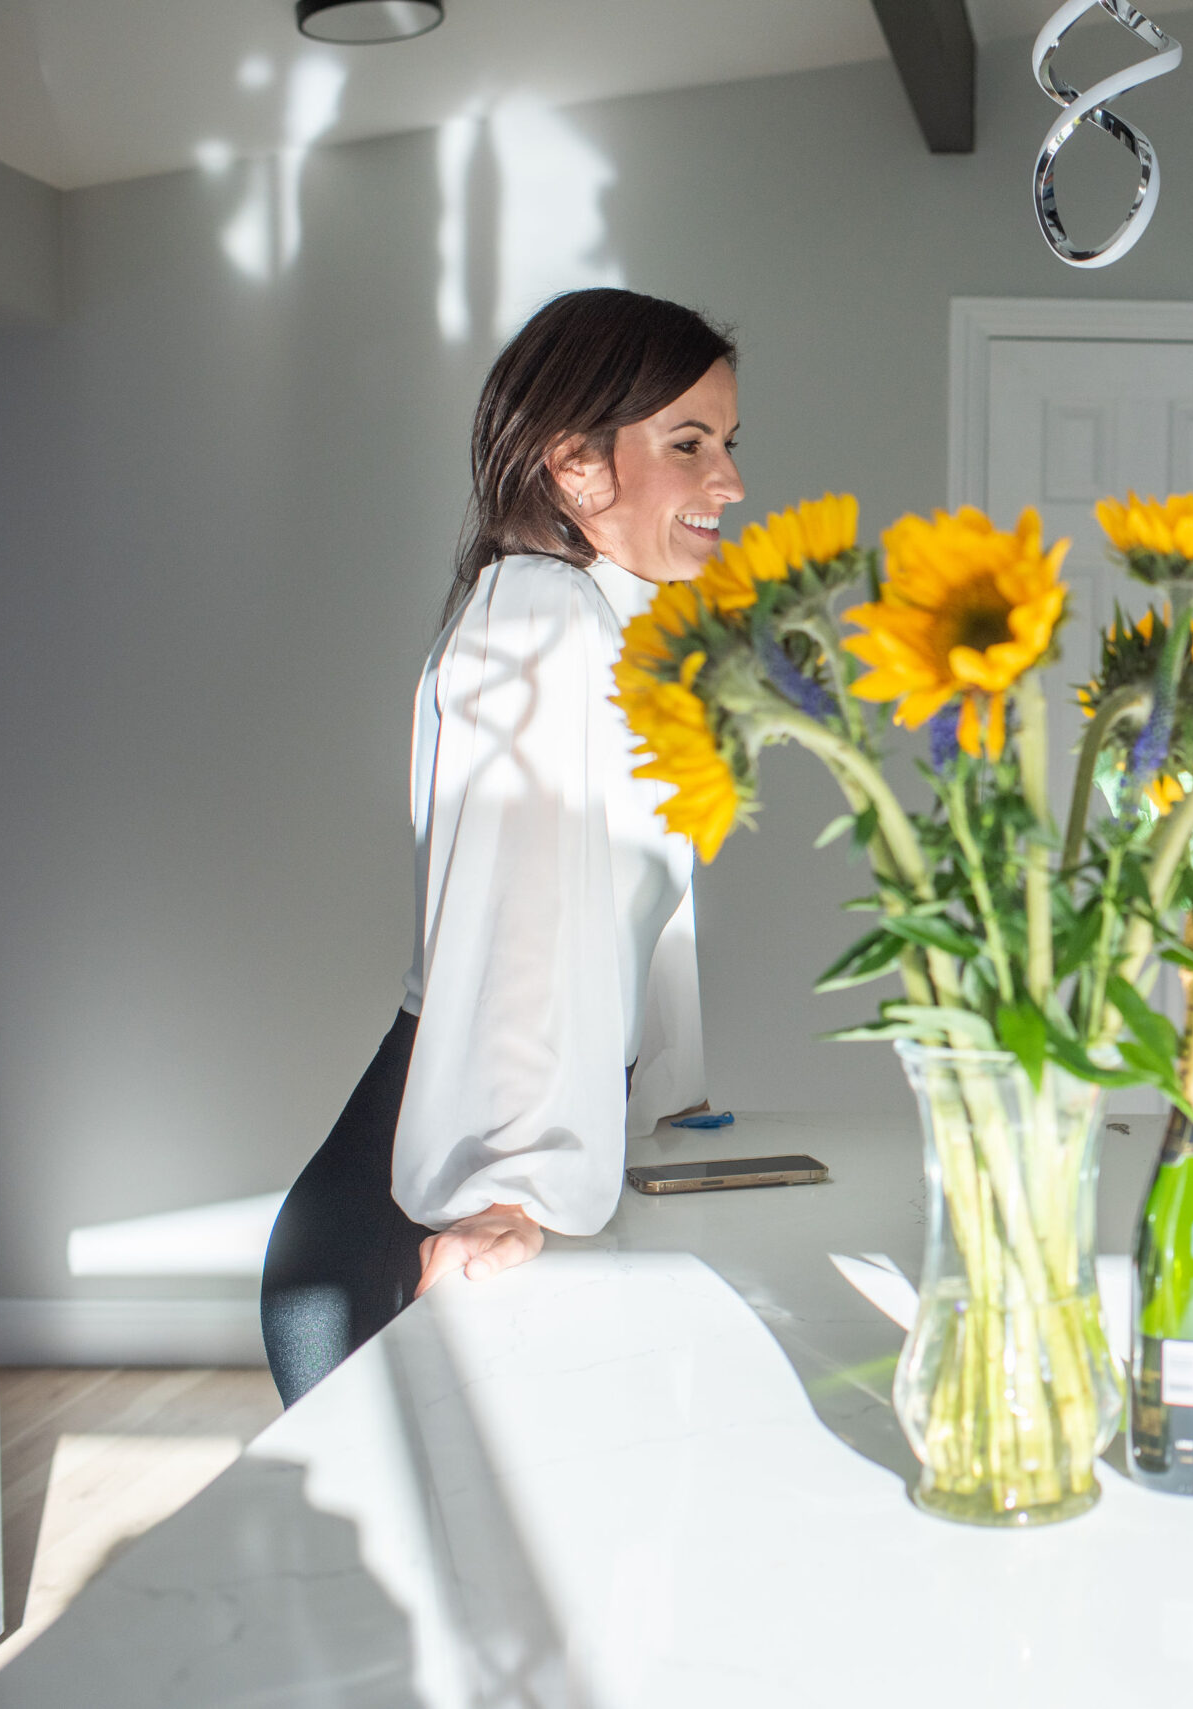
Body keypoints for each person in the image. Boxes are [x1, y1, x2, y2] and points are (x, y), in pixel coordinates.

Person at [260, 288, 743, 1406]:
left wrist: (664, 1105)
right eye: (689, 443)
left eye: (726, 442)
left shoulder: (612, 626)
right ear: (576, 468)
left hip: (476, 1188)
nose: (729, 481)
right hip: (421, 1229)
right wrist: (512, 1189)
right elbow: (521, 924)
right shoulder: (540, 615)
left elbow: (624, 927)